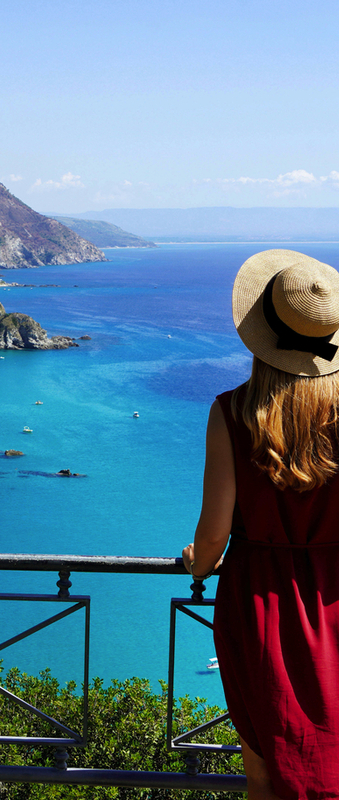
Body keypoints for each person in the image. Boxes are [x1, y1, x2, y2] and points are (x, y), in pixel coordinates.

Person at [182, 249, 339, 800]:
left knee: (264, 773)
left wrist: (197, 564)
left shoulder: (232, 412)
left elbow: (213, 534)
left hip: (261, 603)